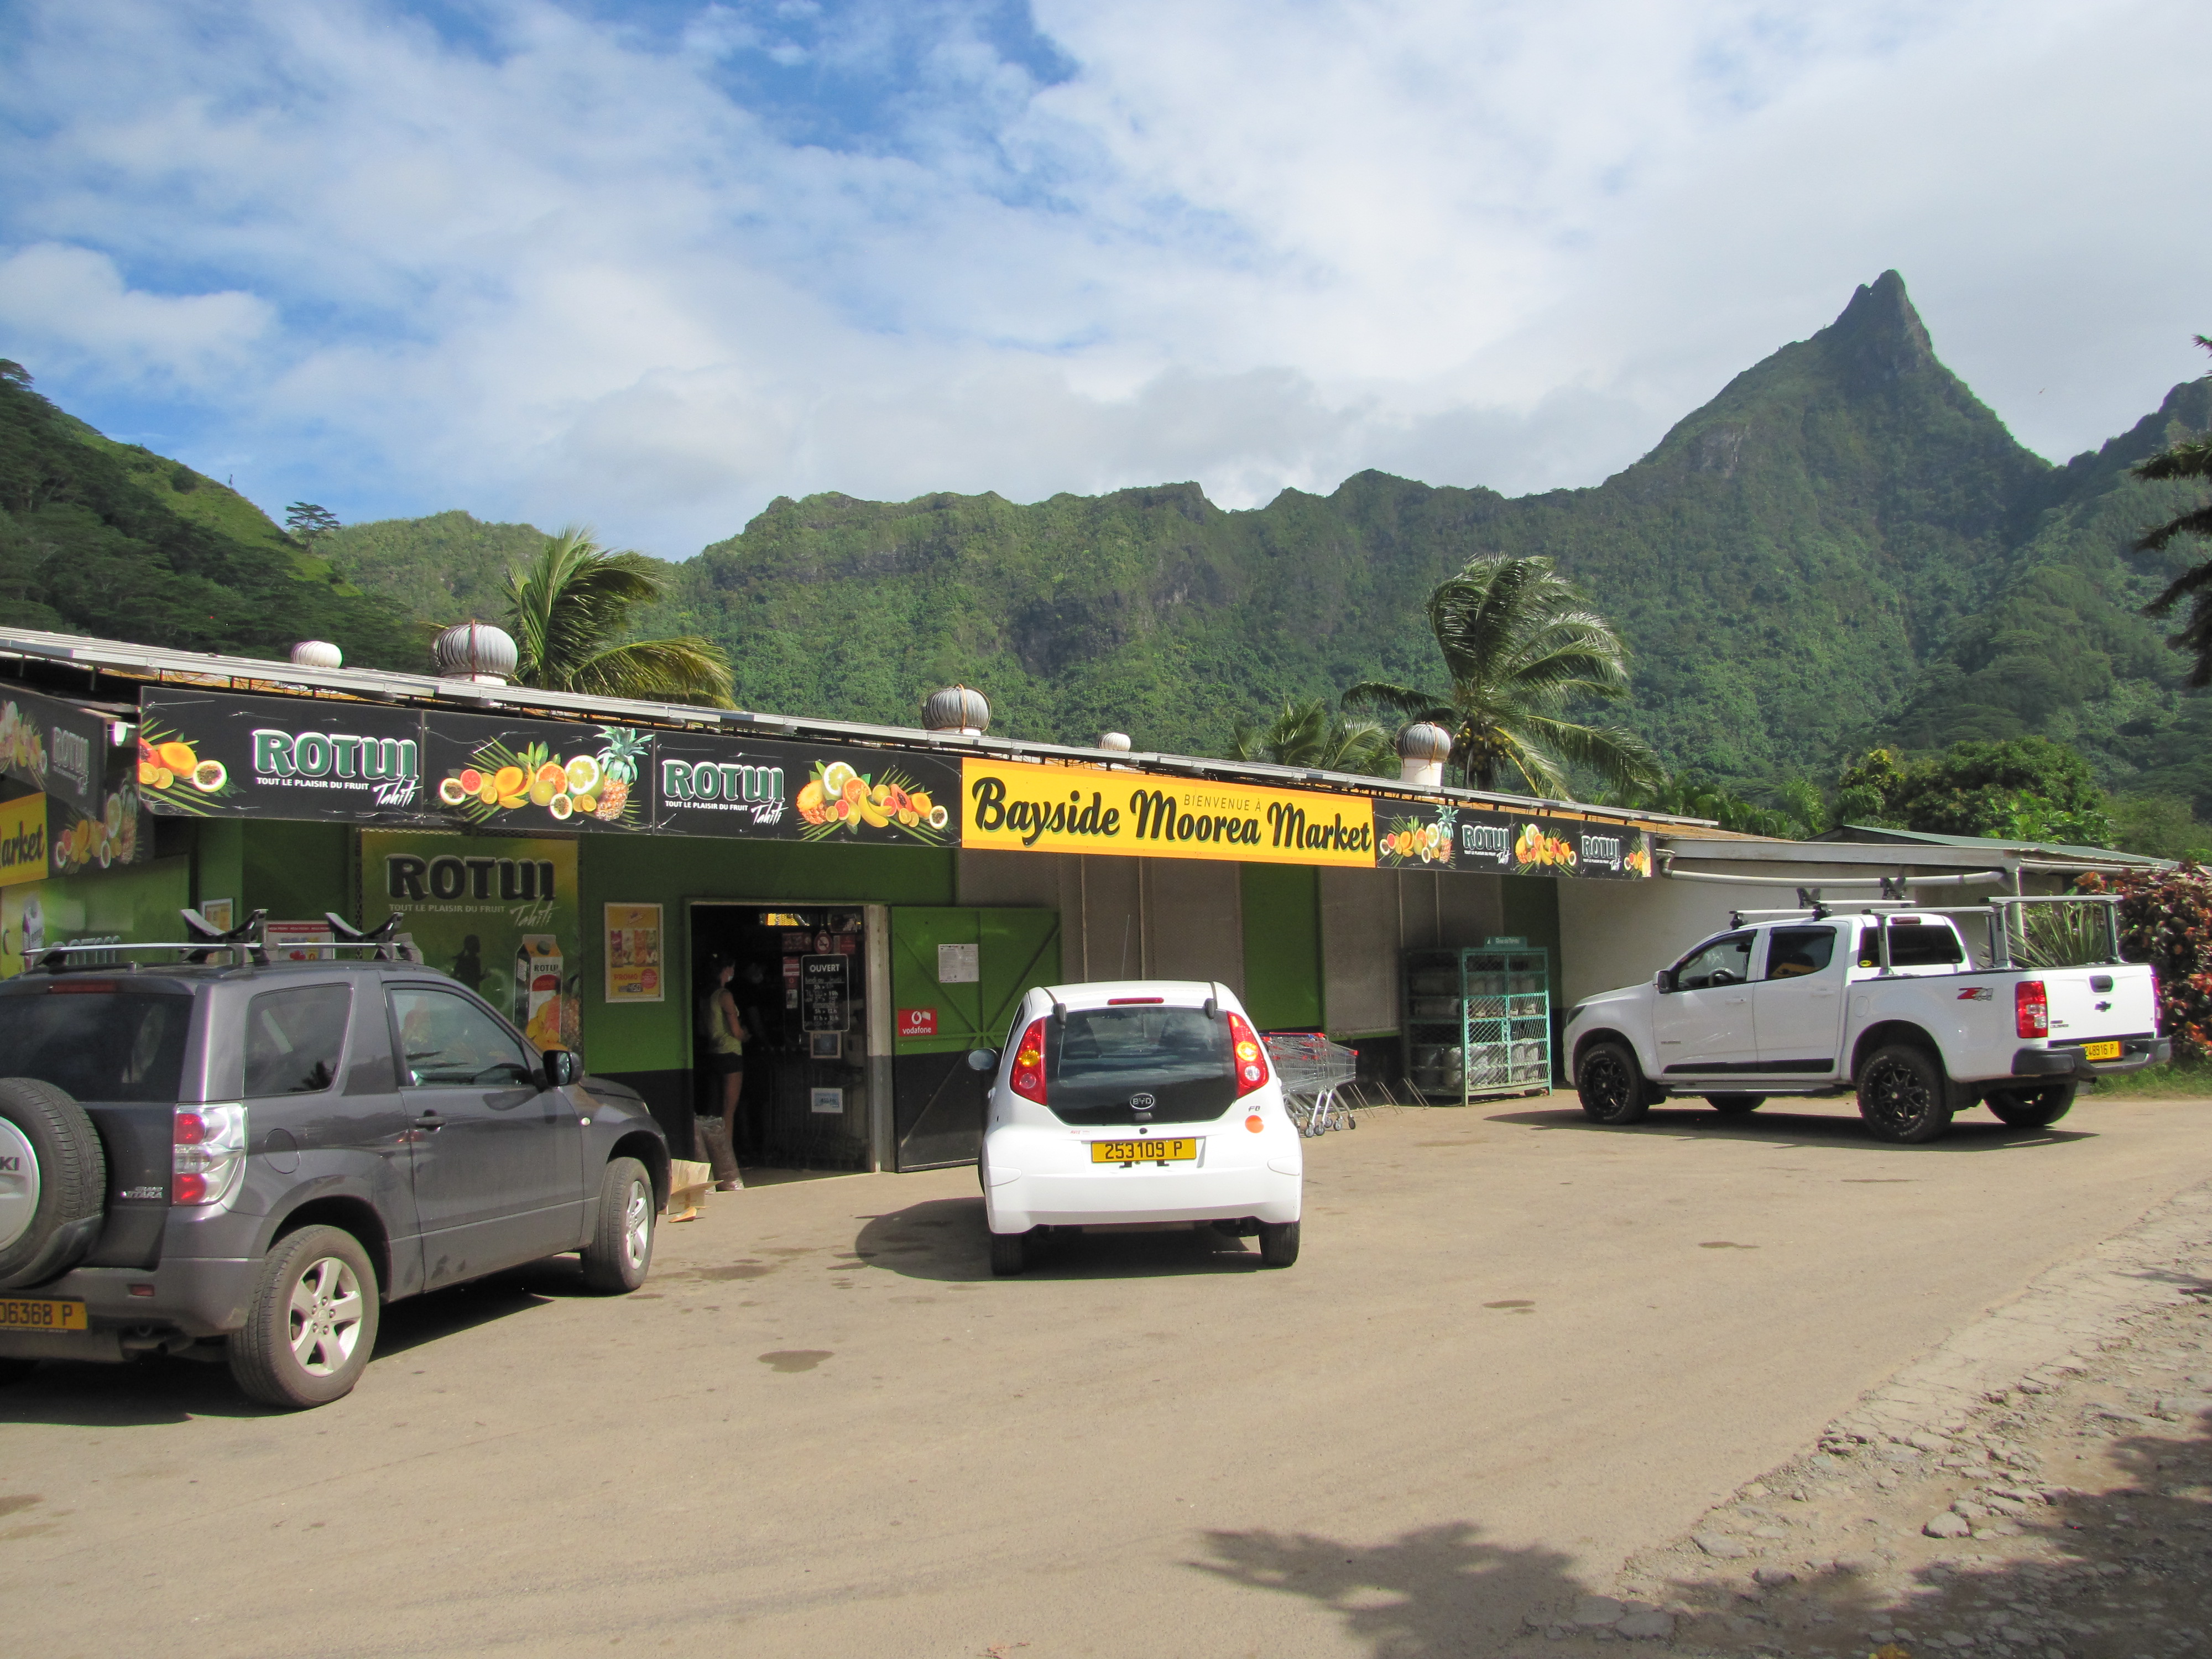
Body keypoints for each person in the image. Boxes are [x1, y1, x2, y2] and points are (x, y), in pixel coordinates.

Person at [696, 956, 748, 1191]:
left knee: (712, 1108)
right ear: (725, 970)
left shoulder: (705, 997)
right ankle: (728, 1162)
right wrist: (747, 1035)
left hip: (712, 1053)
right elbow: (736, 1032)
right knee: (729, 1109)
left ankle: (708, 1164)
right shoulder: (725, 996)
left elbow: (701, 1029)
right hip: (730, 1054)